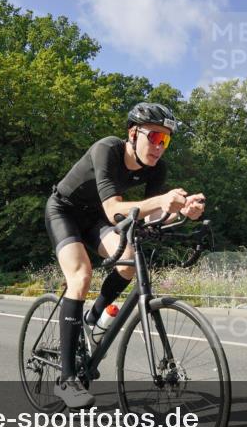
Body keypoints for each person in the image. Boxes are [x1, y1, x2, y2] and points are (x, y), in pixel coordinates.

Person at [45, 102, 206, 408]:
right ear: (133, 133)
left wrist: (181, 212)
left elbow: (145, 219)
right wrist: (162, 200)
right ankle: (67, 380)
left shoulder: (157, 169)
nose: (159, 147)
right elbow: (114, 209)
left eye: (166, 140)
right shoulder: (107, 149)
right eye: (154, 137)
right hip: (64, 211)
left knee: (129, 261)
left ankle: (92, 320)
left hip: (96, 220)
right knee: (81, 275)